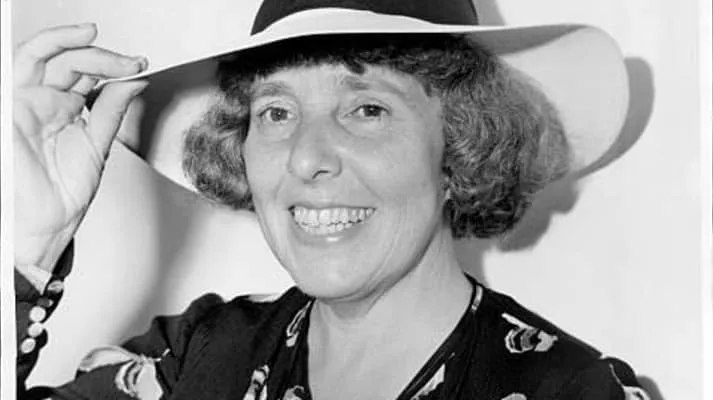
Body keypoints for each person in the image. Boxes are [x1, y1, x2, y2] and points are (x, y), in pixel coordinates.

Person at [14, 0, 650, 399]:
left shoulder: (570, 391)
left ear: (460, 148)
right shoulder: (194, 357)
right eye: (277, 112)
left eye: (367, 109)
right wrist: (32, 247)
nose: (306, 157)